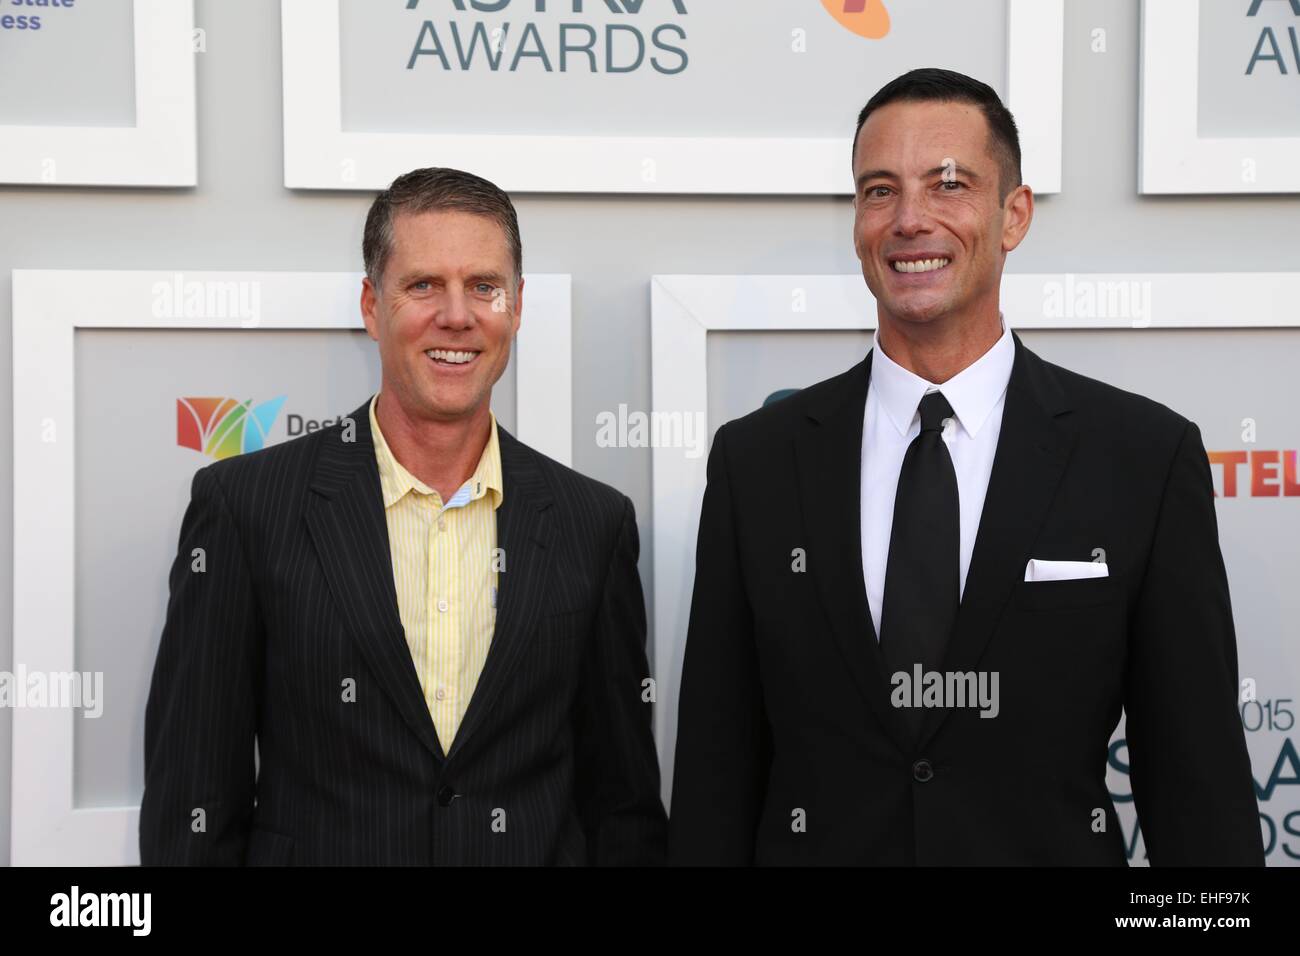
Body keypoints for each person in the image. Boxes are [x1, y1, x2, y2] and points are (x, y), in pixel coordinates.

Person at [668, 68, 1264, 865]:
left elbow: (1199, 796)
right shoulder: (758, 462)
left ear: (1013, 214)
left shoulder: (1143, 459)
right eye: (880, 190)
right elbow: (717, 774)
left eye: (948, 185)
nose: (910, 219)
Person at [141, 167, 666, 865]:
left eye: (484, 286)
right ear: (371, 304)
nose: (457, 315)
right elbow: (193, 803)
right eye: (423, 285)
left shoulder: (592, 523)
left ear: (516, 306)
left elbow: (621, 805)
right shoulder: (246, 509)